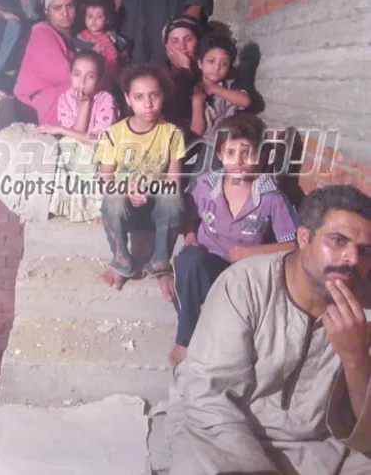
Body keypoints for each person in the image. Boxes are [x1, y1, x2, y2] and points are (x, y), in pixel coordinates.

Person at [168, 184, 371, 475]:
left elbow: (367, 431)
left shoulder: (365, 309)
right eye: (338, 240)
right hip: (226, 436)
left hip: (321, 449)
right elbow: (209, 397)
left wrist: (355, 358)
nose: (353, 258)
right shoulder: (245, 285)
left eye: (365, 250)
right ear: (304, 237)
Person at [169, 113, 298, 368]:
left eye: (247, 153)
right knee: (187, 262)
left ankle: (219, 323)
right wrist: (191, 236)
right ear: (219, 155)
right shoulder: (206, 185)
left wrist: (251, 253)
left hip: (244, 274)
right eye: (230, 153)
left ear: (260, 156)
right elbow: (189, 218)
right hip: (207, 266)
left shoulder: (271, 197)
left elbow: (294, 244)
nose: (238, 161)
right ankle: (185, 337)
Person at [95, 64, 186, 300]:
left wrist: (149, 189)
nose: (148, 104)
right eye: (139, 97)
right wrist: (127, 188)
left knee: (173, 198)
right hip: (126, 209)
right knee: (113, 198)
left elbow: (174, 182)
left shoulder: (172, 134)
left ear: (163, 96)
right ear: (128, 99)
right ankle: (121, 260)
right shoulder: (114, 134)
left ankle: (160, 263)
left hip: (156, 208)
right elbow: (104, 181)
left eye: (154, 95)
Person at [35, 50, 119, 222]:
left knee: (84, 151)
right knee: (67, 145)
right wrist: (84, 106)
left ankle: (95, 209)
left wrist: (60, 129)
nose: (82, 82)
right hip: (77, 151)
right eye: (77, 74)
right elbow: (76, 134)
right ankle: (68, 205)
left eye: (90, 76)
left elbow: (96, 140)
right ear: (70, 75)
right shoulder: (65, 99)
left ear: (100, 80)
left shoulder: (105, 100)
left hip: (101, 152)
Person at [13, 0, 78, 124]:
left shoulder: (71, 37)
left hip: (53, 97)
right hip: (33, 105)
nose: (65, 13)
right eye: (57, 8)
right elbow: (63, 73)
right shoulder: (42, 33)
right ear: (47, 11)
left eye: (70, 6)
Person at [191, 32, 251, 140]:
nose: (217, 67)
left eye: (224, 64)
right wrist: (197, 102)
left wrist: (214, 88)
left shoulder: (230, 85)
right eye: (211, 61)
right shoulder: (193, 88)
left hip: (229, 141)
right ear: (200, 63)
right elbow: (197, 131)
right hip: (205, 144)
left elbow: (245, 101)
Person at [77, 0, 129, 90]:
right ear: (85, 18)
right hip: (95, 78)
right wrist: (92, 52)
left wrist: (121, 54)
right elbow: (78, 56)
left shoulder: (111, 36)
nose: (94, 21)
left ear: (107, 20)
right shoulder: (83, 38)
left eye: (99, 17)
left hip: (113, 75)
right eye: (90, 16)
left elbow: (124, 47)